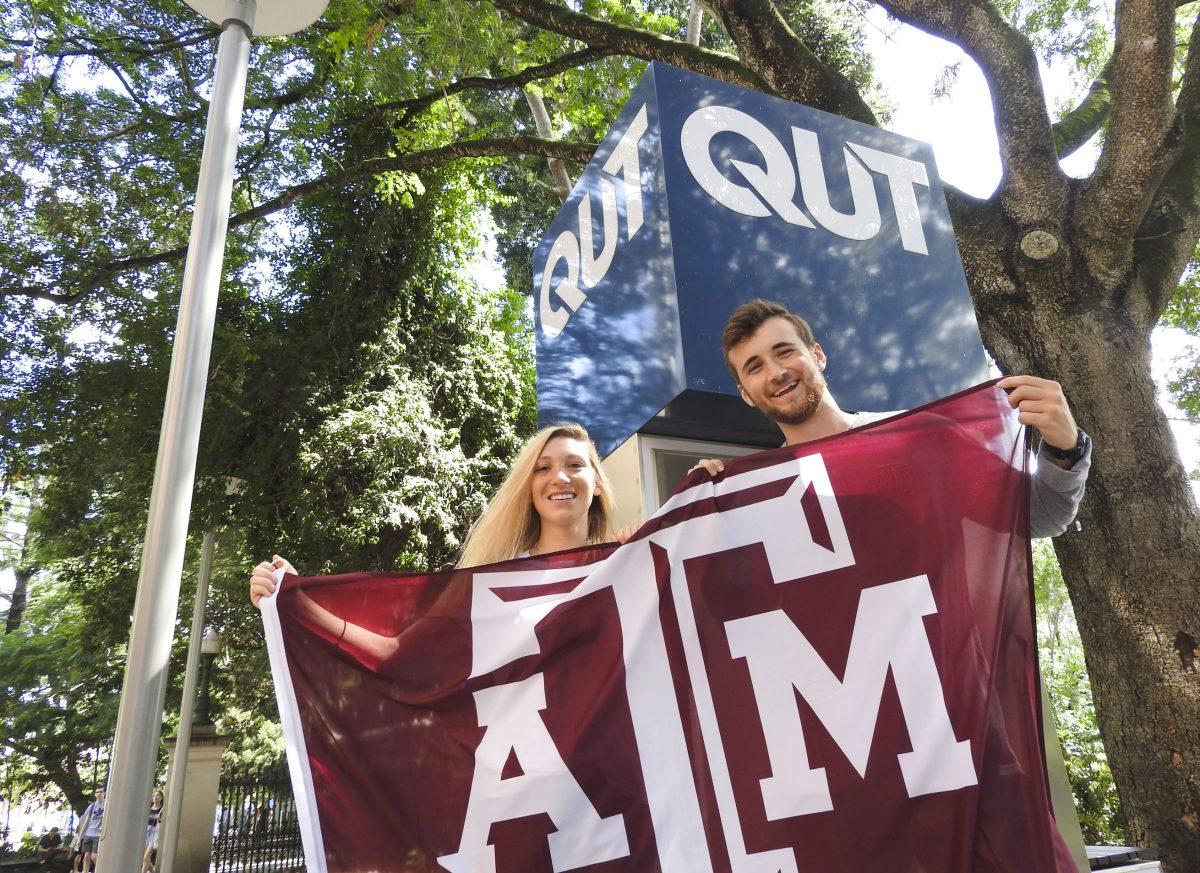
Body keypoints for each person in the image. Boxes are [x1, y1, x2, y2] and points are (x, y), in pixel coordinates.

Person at [691, 299, 1090, 538]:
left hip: (946, 672)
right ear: (745, 394)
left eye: (783, 352)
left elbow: (1041, 516)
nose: (776, 372)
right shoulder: (756, 492)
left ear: (817, 355)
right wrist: (667, 531)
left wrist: (1065, 447)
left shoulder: (919, 436)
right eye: (755, 367)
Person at [250, 423, 635, 618]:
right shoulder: (495, 579)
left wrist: (664, 546)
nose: (559, 478)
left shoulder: (628, 564)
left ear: (597, 483)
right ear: (529, 487)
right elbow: (402, 638)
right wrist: (297, 599)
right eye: (543, 468)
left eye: (575, 465)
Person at [75, 787, 105, 873]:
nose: (99, 794)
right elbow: (86, 821)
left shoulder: (107, 804)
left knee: (94, 856)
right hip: (88, 834)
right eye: (97, 792)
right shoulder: (91, 806)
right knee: (86, 856)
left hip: (98, 834)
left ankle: (101, 869)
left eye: (101, 792)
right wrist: (80, 835)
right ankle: (85, 871)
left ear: (104, 793)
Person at [141, 789, 164, 873]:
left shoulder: (163, 809)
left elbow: (165, 822)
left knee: (145, 857)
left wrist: (160, 818)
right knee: (145, 858)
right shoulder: (148, 808)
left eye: (158, 795)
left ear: (161, 798)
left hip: (155, 832)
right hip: (146, 831)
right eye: (154, 795)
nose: (155, 797)